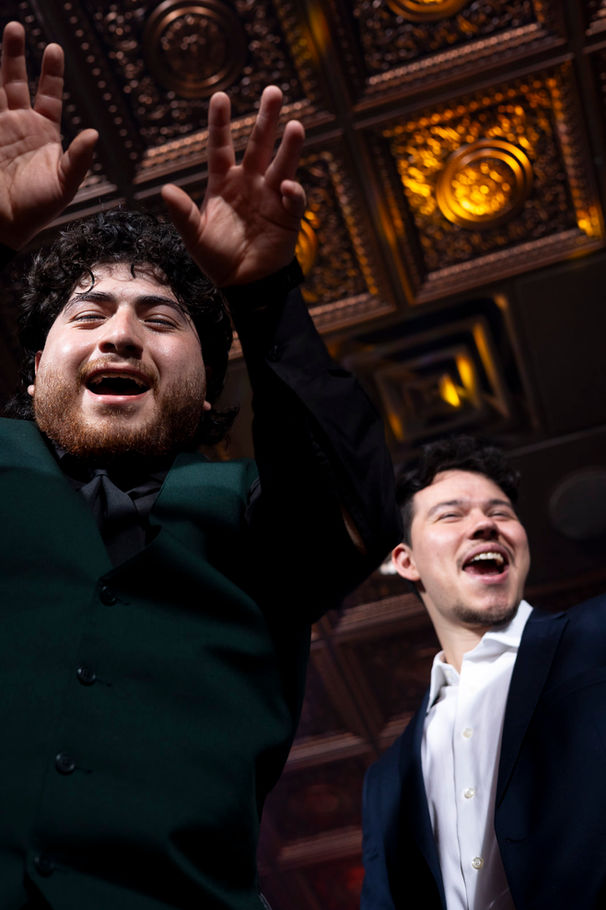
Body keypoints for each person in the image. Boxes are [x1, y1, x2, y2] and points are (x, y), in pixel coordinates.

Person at [0, 21, 401, 909]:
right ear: (31, 372)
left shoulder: (255, 518)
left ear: (203, 378)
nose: (120, 333)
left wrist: (261, 290)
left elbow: (363, 513)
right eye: (89, 313)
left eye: (161, 318)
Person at [361, 435, 606, 910]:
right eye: (451, 515)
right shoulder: (385, 779)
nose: (485, 525)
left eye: (501, 513)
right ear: (406, 561)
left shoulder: (597, 638)